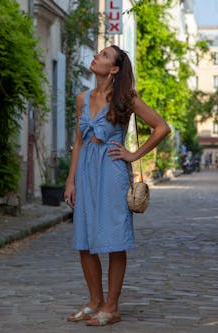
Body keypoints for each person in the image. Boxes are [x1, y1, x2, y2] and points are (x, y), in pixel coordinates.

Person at [64, 45, 170, 326]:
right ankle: (94, 301)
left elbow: (161, 127)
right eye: (99, 53)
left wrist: (133, 154)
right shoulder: (82, 98)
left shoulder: (126, 98)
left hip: (111, 171)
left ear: (114, 69)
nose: (97, 56)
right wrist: (70, 180)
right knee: (84, 240)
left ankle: (111, 306)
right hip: (86, 171)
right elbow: (78, 141)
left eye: (105, 55)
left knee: (113, 240)